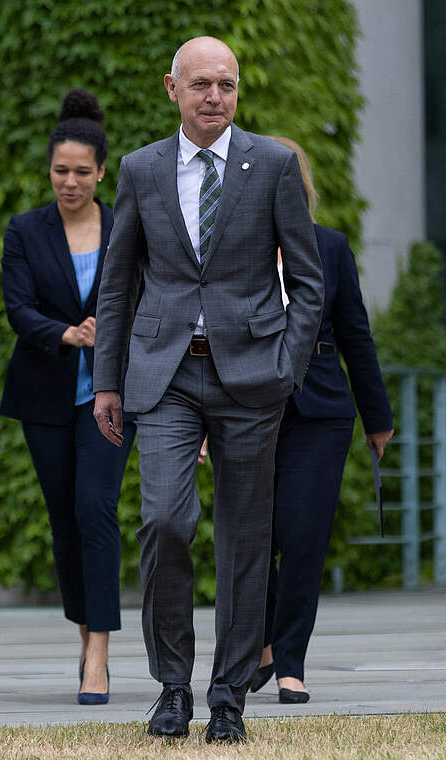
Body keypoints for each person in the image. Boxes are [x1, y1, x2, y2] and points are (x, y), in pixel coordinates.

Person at [92, 36, 324, 743]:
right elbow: (117, 283)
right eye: (201, 85)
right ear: (173, 88)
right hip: (163, 374)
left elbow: (309, 283)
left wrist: (286, 366)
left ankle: (227, 696)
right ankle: (171, 687)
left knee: (246, 541)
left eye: (226, 84)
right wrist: (108, 379)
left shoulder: (275, 165)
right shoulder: (140, 169)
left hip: (252, 373)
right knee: (165, 520)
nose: (215, 97)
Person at [243, 136, 394, 704]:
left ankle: (290, 661)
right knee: (256, 534)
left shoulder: (328, 246)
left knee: (303, 537)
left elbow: (356, 331)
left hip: (322, 410)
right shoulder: (232, 245)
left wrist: (377, 418)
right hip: (246, 404)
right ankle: (261, 641)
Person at [0, 89, 133, 706]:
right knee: (64, 521)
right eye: (60, 171)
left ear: (102, 171)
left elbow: (148, 298)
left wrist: (112, 334)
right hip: (47, 393)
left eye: (82, 172)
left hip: (111, 395)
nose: (70, 182)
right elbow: (17, 307)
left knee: (95, 510)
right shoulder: (25, 230)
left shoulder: (127, 226)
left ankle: (100, 655)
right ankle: (85, 631)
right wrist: (66, 333)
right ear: (48, 170)